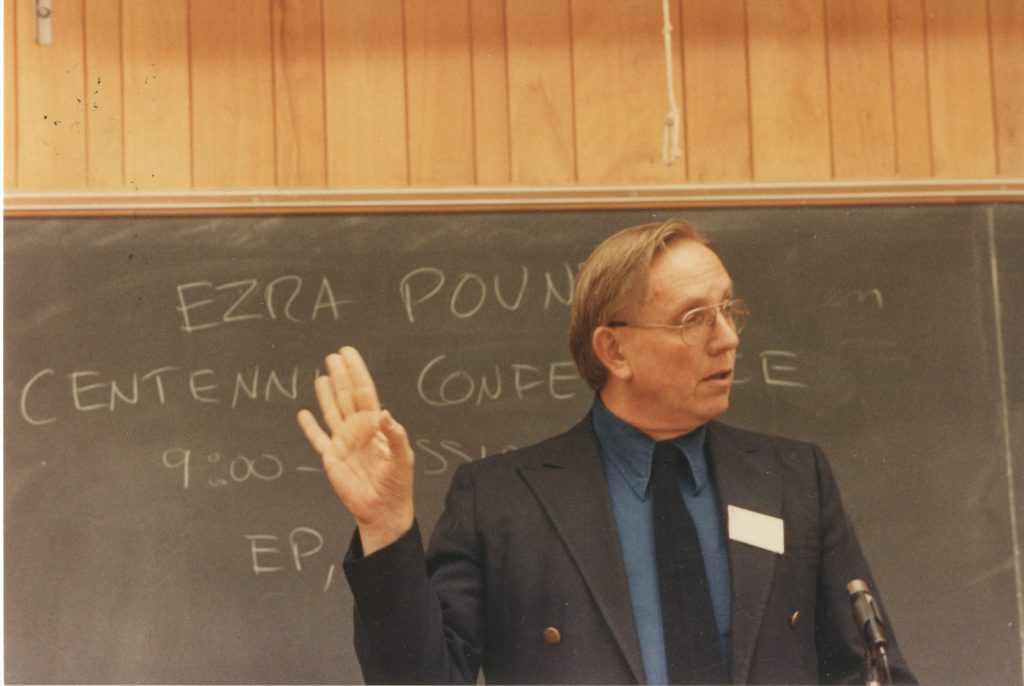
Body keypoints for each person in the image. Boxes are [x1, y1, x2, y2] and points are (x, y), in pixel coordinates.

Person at [297, 219, 916, 685]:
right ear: (614, 351)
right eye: (694, 317)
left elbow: (871, 666)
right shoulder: (504, 500)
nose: (726, 338)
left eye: (728, 310)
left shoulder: (792, 479)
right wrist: (384, 526)